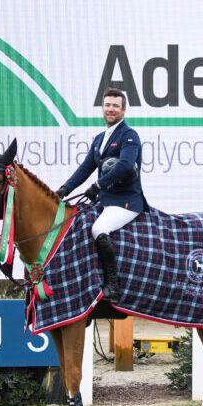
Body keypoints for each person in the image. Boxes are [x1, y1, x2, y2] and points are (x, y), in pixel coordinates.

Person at [55, 87, 146, 301]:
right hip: (105, 201)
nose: (110, 109)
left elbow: (125, 165)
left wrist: (98, 185)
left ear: (123, 110)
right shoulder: (99, 139)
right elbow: (85, 168)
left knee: (98, 228)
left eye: (115, 106)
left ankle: (113, 285)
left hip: (126, 202)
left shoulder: (129, 135)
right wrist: (64, 189)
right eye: (107, 105)